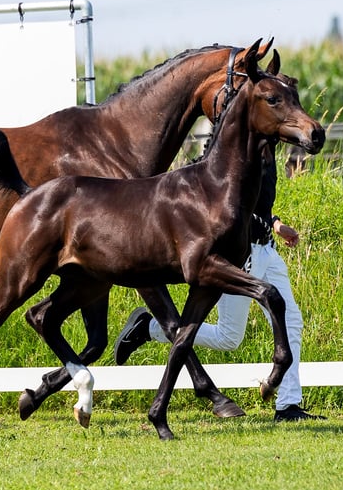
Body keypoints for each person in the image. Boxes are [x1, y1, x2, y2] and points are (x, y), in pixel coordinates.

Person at [113, 142, 325, 422]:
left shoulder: (267, 150)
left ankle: (287, 406)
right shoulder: (239, 148)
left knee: (292, 321)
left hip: (267, 251)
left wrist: (274, 224)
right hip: (238, 253)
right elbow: (228, 200)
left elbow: (256, 201)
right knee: (229, 337)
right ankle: (149, 328)